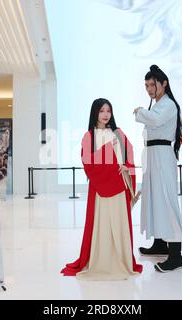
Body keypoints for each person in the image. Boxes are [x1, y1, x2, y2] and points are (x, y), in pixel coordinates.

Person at [61, 98, 142, 280]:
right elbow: (88, 162)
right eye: (101, 111)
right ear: (95, 113)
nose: (106, 115)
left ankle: (122, 260)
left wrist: (126, 166)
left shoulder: (119, 133)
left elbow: (129, 155)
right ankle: (101, 261)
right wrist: (108, 149)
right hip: (100, 187)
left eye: (108, 111)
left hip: (120, 184)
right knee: (102, 224)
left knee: (119, 223)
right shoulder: (89, 136)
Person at [133, 65, 182, 272]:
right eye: (146, 85)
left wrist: (139, 111)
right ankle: (160, 244)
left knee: (166, 199)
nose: (149, 89)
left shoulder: (169, 105)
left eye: (152, 84)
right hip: (153, 155)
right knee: (154, 199)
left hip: (163, 156)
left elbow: (154, 120)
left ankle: (176, 255)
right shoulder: (158, 105)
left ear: (164, 84)